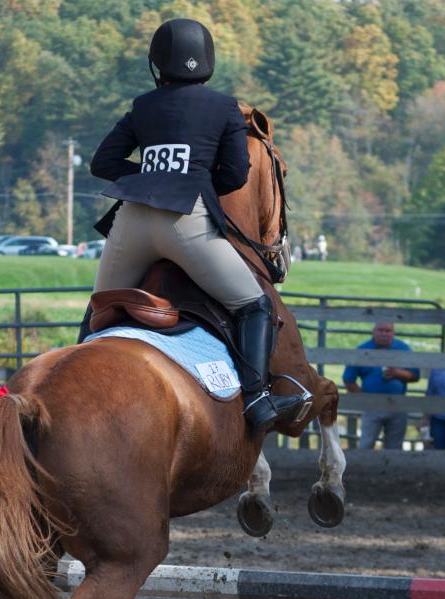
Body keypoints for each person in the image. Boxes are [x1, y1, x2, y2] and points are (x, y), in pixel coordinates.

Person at [86, 18, 300, 432]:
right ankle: (257, 400)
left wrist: (149, 174)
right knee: (253, 304)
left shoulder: (143, 105)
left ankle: (73, 369)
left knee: (101, 305)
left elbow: (102, 164)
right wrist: (194, 179)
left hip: (130, 222)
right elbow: (236, 174)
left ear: (157, 65)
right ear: (208, 63)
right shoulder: (223, 106)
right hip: (187, 223)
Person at [343, 321, 419, 451]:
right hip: (371, 406)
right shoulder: (363, 349)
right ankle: (364, 469)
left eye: (388, 331)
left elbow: (415, 375)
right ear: (374, 332)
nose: (384, 334)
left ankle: (392, 470)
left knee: (394, 447)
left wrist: (397, 373)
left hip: (398, 405)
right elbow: (348, 378)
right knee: (366, 444)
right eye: (380, 330)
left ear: (393, 333)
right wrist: (363, 399)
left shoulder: (403, 349)